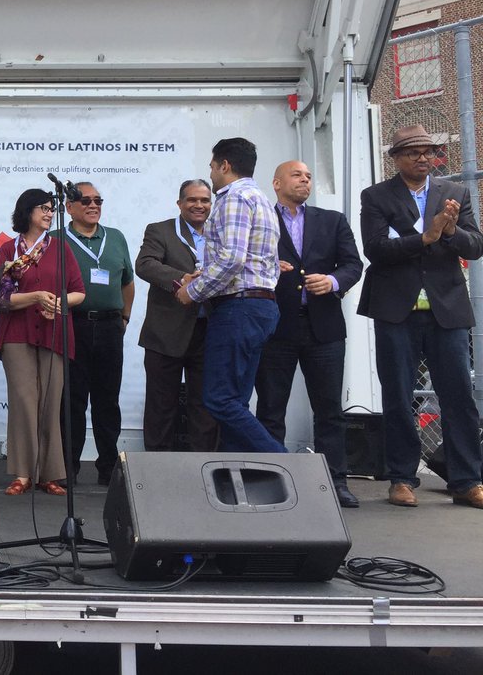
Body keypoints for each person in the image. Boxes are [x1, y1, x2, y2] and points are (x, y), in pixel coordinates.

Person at [358, 124, 483, 509]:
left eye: (429, 151)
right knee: (398, 395)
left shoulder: (455, 193)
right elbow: (375, 249)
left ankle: (466, 481)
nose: (423, 158)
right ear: (396, 158)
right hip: (397, 309)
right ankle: (401, 478)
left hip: (447, 309)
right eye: (413, 152)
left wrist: (449, 232)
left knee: (458, 395)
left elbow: (475, 246)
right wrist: (424, 238)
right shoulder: (376, 196)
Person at [255, 161, 363, 509]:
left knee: (330, 410)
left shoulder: (332, 220)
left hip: (324, 328)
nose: (305, 180)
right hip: (275, 327)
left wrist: (332, 281)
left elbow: (353, 265)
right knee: (271, 408)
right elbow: (244, 262)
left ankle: (335, 481)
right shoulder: (260, 219)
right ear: (276, 183)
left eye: (309, 176)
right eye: (297, 175)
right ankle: (270, 479)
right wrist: (269, 268)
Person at [176, 138, 284, 453]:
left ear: (224, 165)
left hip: (238, 308)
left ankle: (286, 464)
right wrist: (205, 274)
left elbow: (232, 259)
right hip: (260, 305)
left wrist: (192, 291)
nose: (211, 174)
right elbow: (262, 261)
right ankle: (243, 474)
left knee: (219, 399)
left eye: (212, 167)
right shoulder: (261, 199)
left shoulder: (234, 198)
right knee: (235, 401)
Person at [0, 189, 86, 495]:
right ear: (27, 211)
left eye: (51, 208)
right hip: (17, 335)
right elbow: (1, 298)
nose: (49, 213)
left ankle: (49, 474)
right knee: (23, 401)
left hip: (54, 333)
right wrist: (35, 297)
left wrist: (58, 303)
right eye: (43, 208)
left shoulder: (60, 248)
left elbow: (79, 292)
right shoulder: (9, 249)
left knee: (50, 402)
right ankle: (23, 474)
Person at [53, 181, 134, 486]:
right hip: (72, 325)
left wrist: (124, 317)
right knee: (71, 400)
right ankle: (67, 468)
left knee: (107, 400)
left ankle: (108, 468)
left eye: (98, 200)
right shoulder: (56, 239)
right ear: (68, 207)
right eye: (85, 200)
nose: (93, 205)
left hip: (110, 327)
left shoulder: (116, 237)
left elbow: (127, 282)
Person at [135, 179, 219, 453]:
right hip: (166, 332)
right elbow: (145, 265)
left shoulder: (221, 234)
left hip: (210, 331)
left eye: (204, 200)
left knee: (205, 408)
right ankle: (156, 467)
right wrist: (182, 279)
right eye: (192, 200)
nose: (199, 205)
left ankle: (203, 467)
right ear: (180, 203)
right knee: (161, 406)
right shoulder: (160, 230)